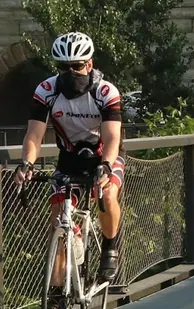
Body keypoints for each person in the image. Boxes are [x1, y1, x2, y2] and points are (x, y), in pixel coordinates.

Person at [15, 30, 125, 287]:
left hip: (103, 156)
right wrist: (27, 163)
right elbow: (34, 135)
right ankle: (56, 293)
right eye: (64, 67)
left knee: (107, 195)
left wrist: (106, 166)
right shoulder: (47, 90)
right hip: (69, 159)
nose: (71, 72)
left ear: (90, 64)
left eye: (77, 66)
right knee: (58, 220)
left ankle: (110, 249)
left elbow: (112, 138)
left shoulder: (105, 92)